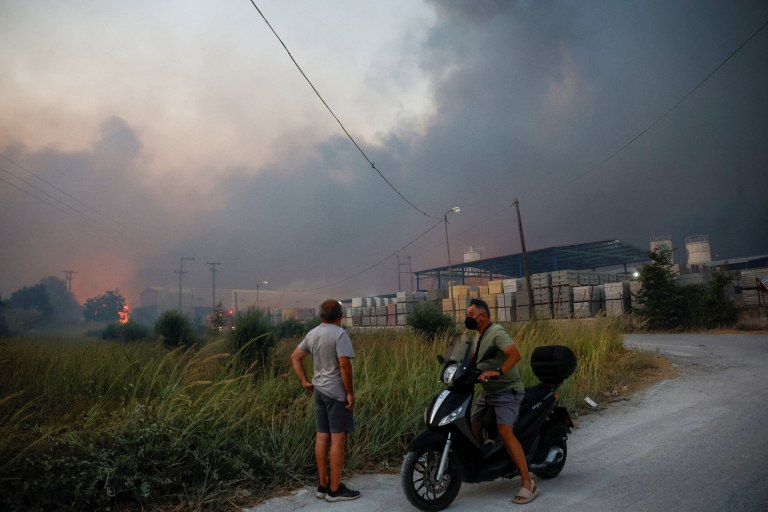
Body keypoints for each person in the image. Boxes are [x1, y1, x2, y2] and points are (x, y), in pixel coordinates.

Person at [465, 298, 539, 505]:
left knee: (506, 432)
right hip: (489, 391)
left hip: (507, 390)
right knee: (474, 423)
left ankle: (528, 482)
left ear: (483, 315)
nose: (467, 318)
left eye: (470, 314)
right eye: (466, 314)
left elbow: (515, 355)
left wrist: (497, 371)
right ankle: (482, 461)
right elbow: (473, 359)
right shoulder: (479, 335)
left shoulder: (497, 332)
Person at [290, 299, 361, 502]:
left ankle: (322, 485)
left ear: (322, 315)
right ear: (340, 316)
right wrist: (350, 393)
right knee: (338, 439)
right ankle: (335, 489)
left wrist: (304, 381)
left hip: (319, 391)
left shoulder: (312, 334)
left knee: (322, 437)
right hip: (336, 393)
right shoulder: (340, 334)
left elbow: (295, 357)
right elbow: (344, 365)